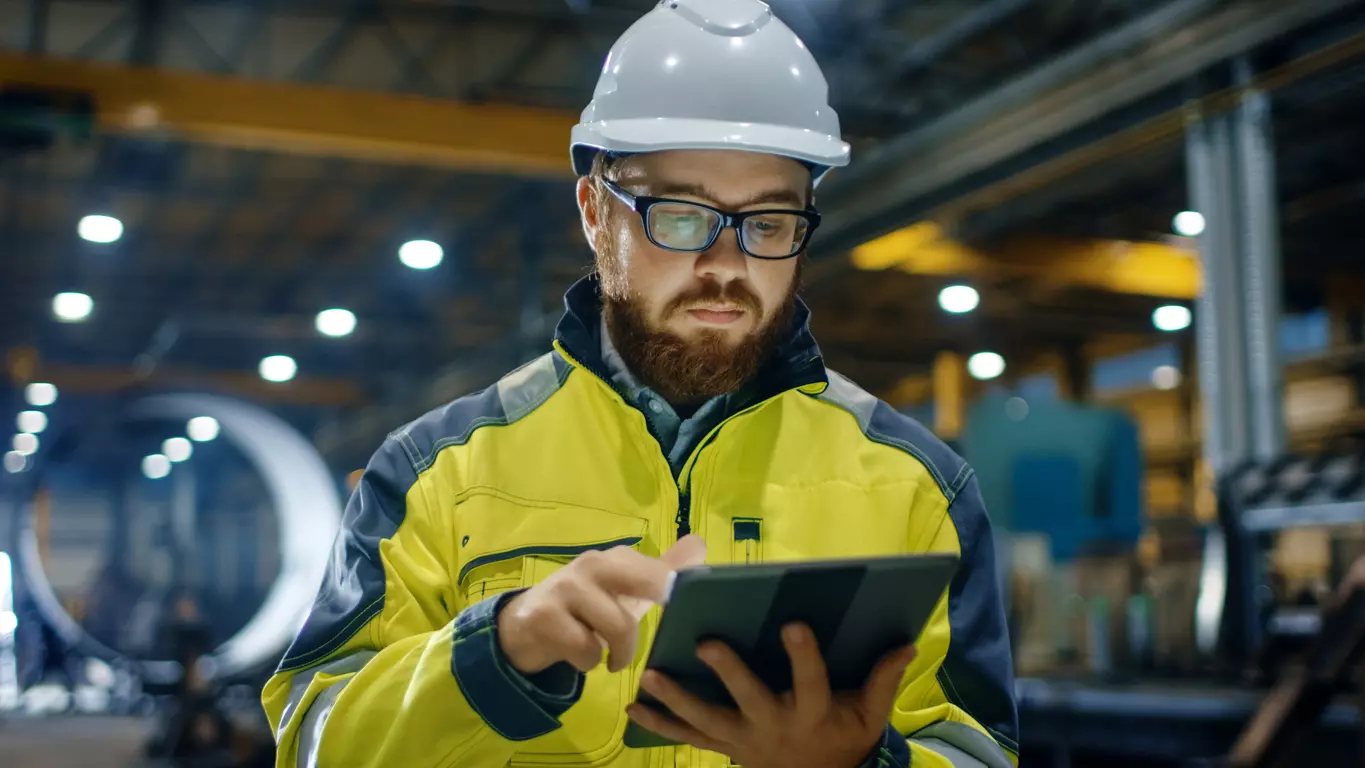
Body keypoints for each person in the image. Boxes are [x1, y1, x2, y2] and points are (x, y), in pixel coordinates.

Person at [262, 1, 1018, 766]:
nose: (726, 264)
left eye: (766, 222)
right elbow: (314, 740)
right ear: (595, 213)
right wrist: (494, 654)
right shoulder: (436, 473)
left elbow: (977, 750)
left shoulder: (919, 488)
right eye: (681, 216)